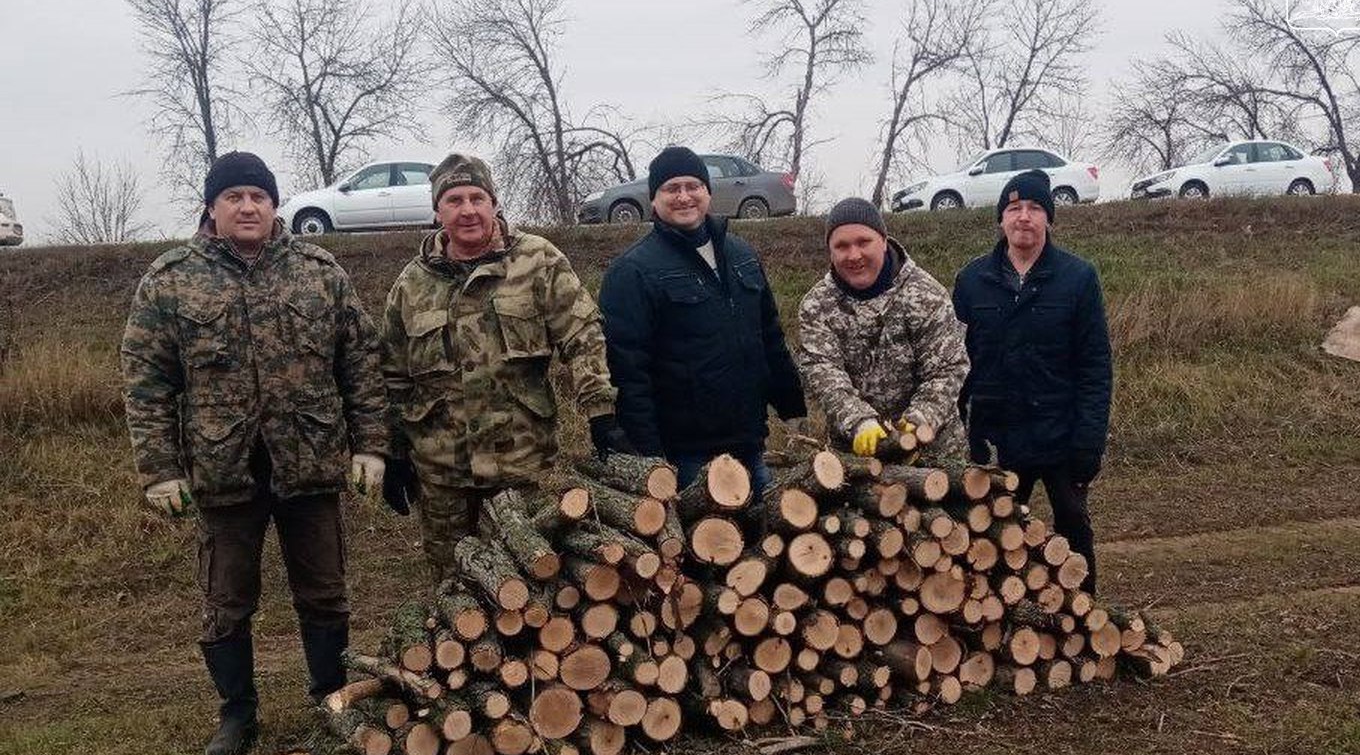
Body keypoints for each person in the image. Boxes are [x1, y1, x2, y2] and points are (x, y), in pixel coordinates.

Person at [121, 151, 389, 755]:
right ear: (212, 208)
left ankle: (329, 699)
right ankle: (237, 713)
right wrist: (160, 468)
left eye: (259, 197)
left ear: (274, 206)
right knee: (227, 601)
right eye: (235, 196)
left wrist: (372, 445)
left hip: (311, 463)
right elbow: (147, 383)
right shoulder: (170, 279)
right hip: (222, 472)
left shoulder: (319, 272)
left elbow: (361, 365)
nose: (248, 207)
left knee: (324, 593)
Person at [379, 153, 626, 579]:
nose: (468, 209)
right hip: (442, 472)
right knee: (452, 588)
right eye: (454, 200)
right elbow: (392, 375)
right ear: (438, 211)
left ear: (495, 203)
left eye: (478, 197)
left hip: (521, 464)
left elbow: (582, 336)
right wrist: (393, 452)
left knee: (533, 581)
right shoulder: (412, 283)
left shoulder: (538, 261)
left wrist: (600, 411)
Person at [598, 146, 806, 489]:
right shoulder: (632, 271)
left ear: (708, 192)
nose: (684, 197)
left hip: (750, 441)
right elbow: (628, 372)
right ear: (654, 199)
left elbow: (769, 335)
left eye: (693, 186)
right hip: (685, 455)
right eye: (671, 188)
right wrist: (649, 455)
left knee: (760, 538)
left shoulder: (741, 254)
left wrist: (791, 404)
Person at [952, 168, 1112, 592]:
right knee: (995, 540)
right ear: (1001, 219)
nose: (1024, 217)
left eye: (1036, 208)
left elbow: (1096, 368)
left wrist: (1088, 444)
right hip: (998, 440)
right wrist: (964, 435)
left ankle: (1084, 621)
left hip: (1062, 436)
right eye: (1014, 208)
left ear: (1049, 219)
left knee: (1074, 531)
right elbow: (955, 367)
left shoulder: (1078, 279)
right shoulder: (972, 282)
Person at [797, 197, 969, 457]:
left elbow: (947, 368)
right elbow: (823, 372)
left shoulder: (926, 294)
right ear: (830, 251)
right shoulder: (816, 306)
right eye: (841, 246)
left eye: (863, 242)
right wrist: (858, 420)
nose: (854, 255)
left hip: (933, 452)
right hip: (856, 452)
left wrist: (919, 420)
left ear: (884, 241)